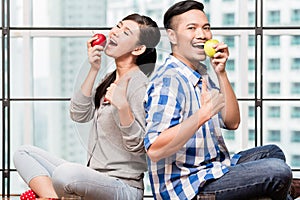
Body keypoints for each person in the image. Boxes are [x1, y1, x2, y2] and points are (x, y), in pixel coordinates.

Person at [144, 1, 299, 199]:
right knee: (277, 170)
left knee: (273, 152)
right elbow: (154, 148)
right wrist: (203, 114)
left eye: (206, 28)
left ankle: (285, 191)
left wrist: (221, 73)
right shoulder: (168, 81)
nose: (202, 34)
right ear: (172, 36)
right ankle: (288, 191)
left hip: (211, 169)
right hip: (188, 187)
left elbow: (232, 122)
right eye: (191, 28)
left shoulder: (200, 73)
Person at [13, 13, 161, 200]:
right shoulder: (111, 78)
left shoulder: (139, 84)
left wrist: (123, 108)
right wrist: (94, 68)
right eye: (118, 26)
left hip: (123, 187)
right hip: (94, 178)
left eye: (125, 32)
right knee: (24, 153)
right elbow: (79, 114)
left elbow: (141, 146)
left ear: (138, 49)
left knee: (66, 174)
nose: (115, 32)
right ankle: (53, 197)